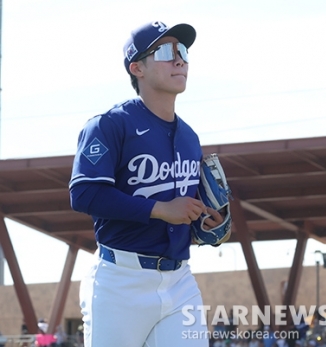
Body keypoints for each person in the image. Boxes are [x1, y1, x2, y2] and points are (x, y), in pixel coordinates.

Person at [69, 20, 225, 347]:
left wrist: (207, 220)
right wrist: (160, 209)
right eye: (167, 51)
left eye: (182, 51)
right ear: (137, 67)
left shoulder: (189, 136)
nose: (180, 59)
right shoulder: (109, 125)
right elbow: (84, 193)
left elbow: (182, 211)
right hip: (120, 283)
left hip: (179, 279)